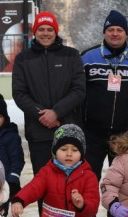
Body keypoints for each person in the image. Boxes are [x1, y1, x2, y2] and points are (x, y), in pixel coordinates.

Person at [11, 11, 86, 177]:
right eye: (41, 29)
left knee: (71, 184)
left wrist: (56, 112)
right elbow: (19, 93)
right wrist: (43, 115)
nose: (45, 33)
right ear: (35, 32)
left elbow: (79, 89)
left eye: (50, 29)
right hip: (38, 134)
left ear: (55, 32)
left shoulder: (71, 55)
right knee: (43, 184)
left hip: (68, 131)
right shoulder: (23, 59)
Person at [80, 10, 128, 183]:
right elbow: (77, 93)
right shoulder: (87, 58)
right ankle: (89, 212)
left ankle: (117, 211)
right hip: (92, 132)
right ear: (104, 32)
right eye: (111, 30)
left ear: (126, 33)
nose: (115, 34)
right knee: (87, 180)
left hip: (124, 135)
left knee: (123, 182)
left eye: (119, 30)